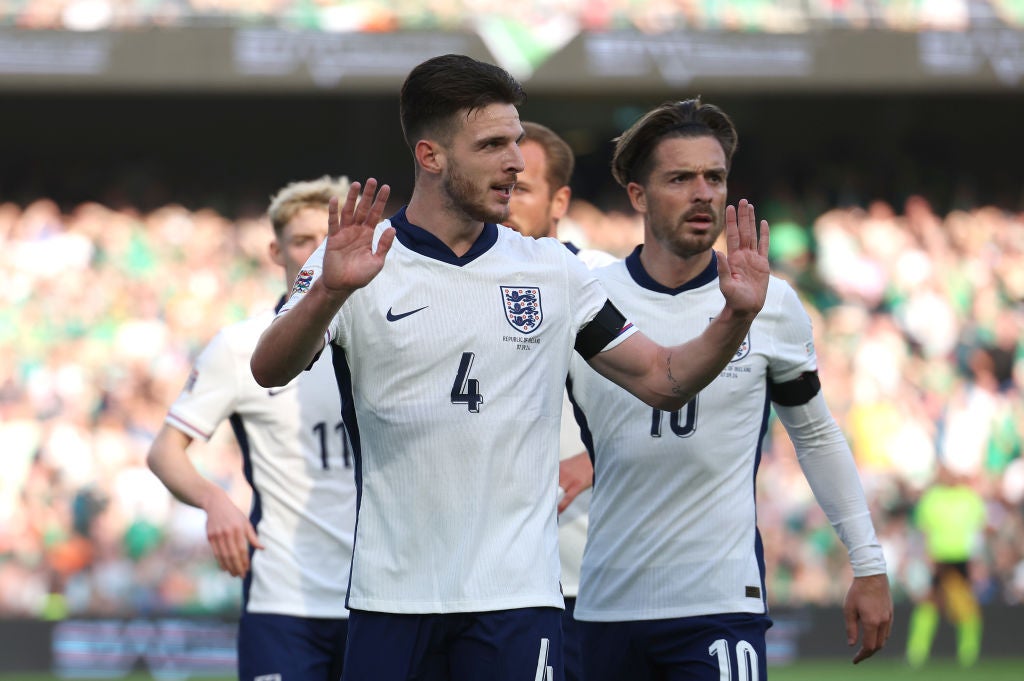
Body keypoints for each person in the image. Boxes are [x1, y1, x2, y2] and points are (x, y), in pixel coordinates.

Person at [249, 54, 769, 681]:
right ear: (431, 156)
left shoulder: (553, 270)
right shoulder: (360, 260)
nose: (516, 161)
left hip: (517, 604)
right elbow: (269, 368)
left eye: (517, 140)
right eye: (493, 144)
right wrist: (329, 293)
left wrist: (734, 316)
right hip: (392, 598)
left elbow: (661, 378)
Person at [565, 98, 894, 681]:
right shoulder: (586, 299)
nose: (703, 193)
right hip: (603, 605)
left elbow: (814, 435)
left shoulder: (773, 302)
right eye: (680, 178)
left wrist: (868, 564)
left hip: (720, 605)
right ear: (638, 196)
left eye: (714, 177)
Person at [146, 176, 357, 681]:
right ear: (274, 250)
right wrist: (216, 501)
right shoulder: (241, 347)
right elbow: (164, 452)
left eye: (326, 236)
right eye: (302, 240)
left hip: (379, 594)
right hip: (282, 596)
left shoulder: (382, 336)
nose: (316, 251)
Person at [506, 120, 615, 681]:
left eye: (522, 188)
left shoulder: (603, 280)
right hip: (498, 581)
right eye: (501, 185)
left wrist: (597, 457)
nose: (506, 202)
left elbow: (680, 396)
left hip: (592, 577)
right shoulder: (457, 280)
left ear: (560, 200)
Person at [906, 464, 987, 668]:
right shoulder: (932, 498)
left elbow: (978, 531)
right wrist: (926, 555)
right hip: (938, 558)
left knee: (966, 608)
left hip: (962, 559)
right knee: (929, 604)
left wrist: (977, 561)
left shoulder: (969, 498)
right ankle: (917, 652)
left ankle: (968, 653)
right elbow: (923, 529)